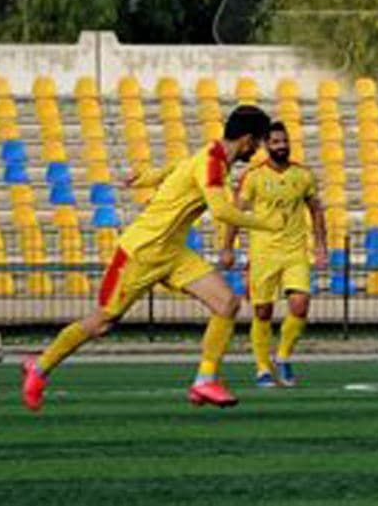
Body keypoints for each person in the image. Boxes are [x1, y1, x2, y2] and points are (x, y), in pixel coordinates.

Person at [21, 106, 280, 411]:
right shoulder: (211, 163)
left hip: (172, 252)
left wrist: (147, 177)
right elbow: (221, 211)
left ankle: (204, 381)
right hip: (141, 251)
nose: (260, 149)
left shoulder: (212, 155)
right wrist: (267, 223)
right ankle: (40, 368)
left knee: (227, 303)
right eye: (261, 142)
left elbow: (177, 168)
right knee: (103, 321)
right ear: (248, 140)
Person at [219, 121, 327, 388]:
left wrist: (321, 245)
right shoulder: (254, 176)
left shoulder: (303, 175)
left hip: (295, 251)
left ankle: (283, 356)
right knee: (263, 311)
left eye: (285, 141)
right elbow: (235, 213)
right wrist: (227, 247)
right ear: (266, 145)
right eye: (276, 142)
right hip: (263, 253)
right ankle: (262, 368)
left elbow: (316, 210)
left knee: (300, 304)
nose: (282, 146)